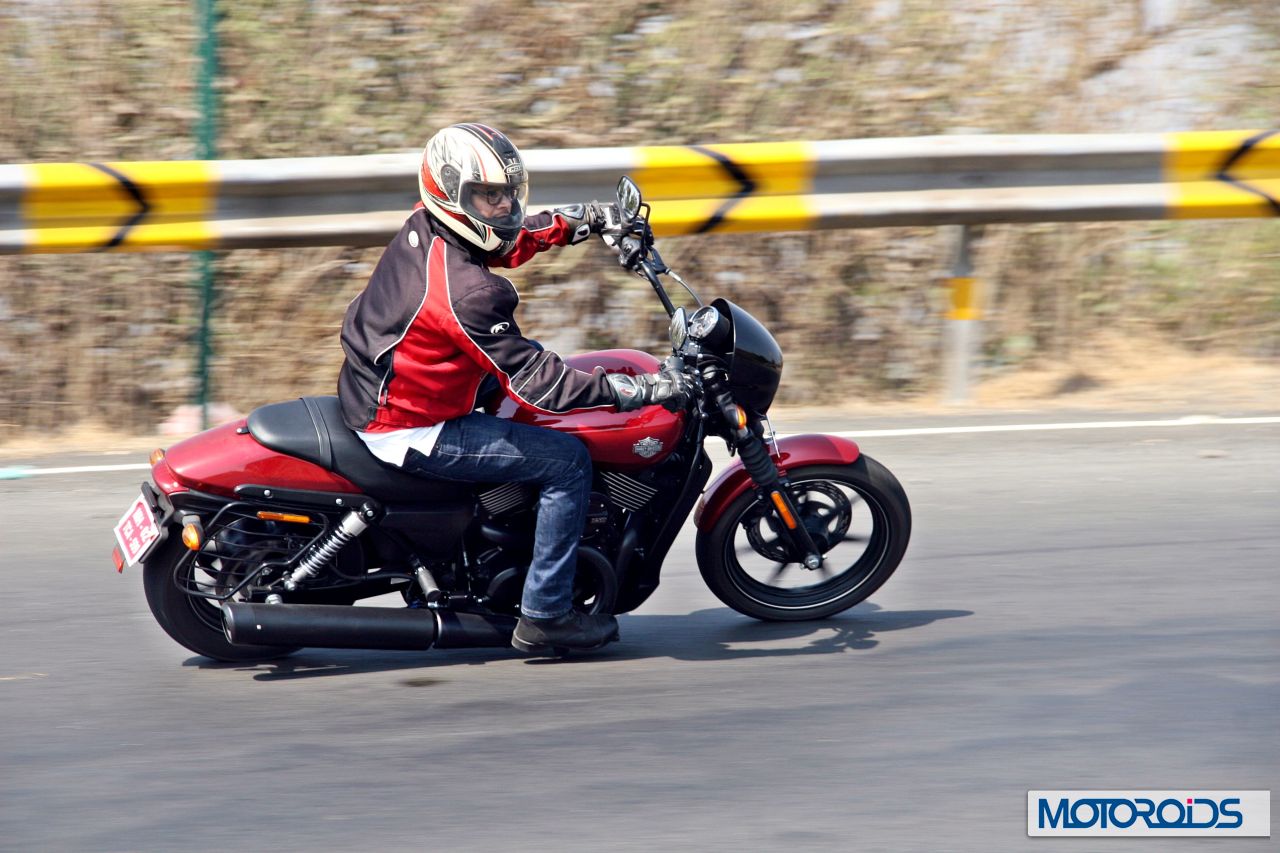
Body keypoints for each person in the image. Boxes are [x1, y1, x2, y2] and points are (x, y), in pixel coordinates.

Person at [337, 122, 691, 654]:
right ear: (450, 194)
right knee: (567, 461)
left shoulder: (433, 231)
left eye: (507, 192)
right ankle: (547, 615)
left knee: (532, 395)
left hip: (406, 383)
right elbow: (544, 386)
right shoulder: (468, 291)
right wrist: (641, 390)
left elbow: (510, 238)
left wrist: (584, 221)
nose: (503, 205)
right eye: (488, 195)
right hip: (411, 423)